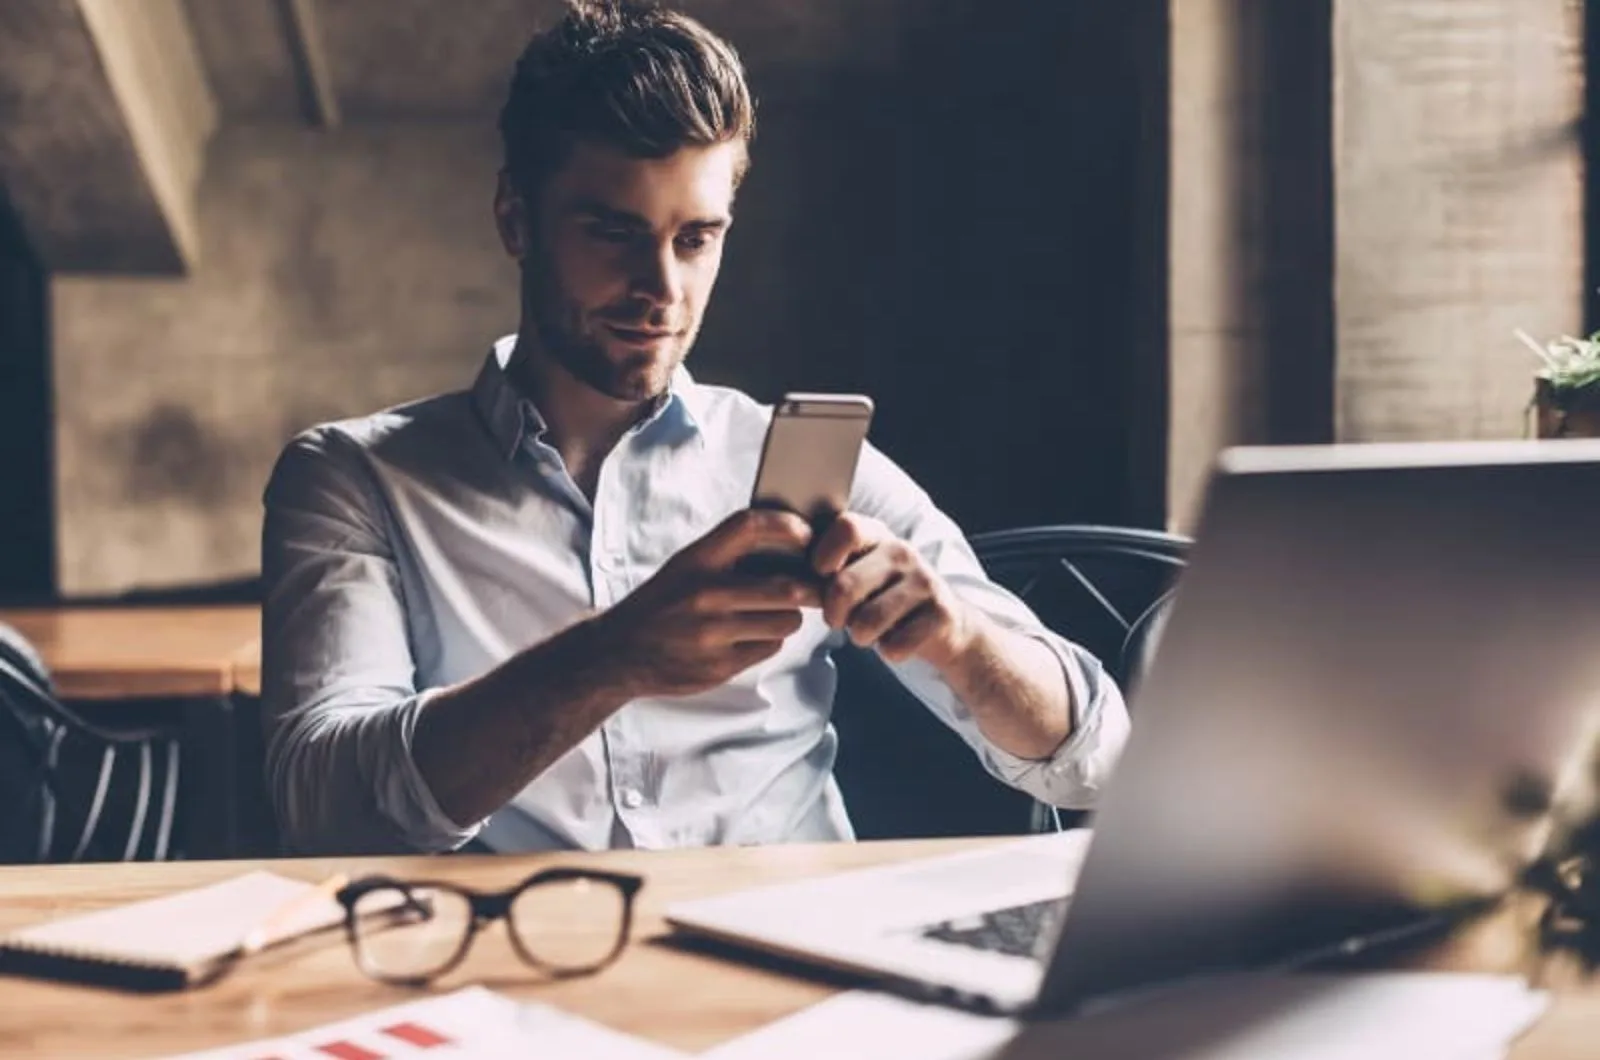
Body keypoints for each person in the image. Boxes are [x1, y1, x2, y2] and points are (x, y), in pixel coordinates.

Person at [261, 0, 1129, 855]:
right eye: (615, 233)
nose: (662, 289)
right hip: (521, 958)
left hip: (797, 953)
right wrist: (611, 658)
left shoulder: (809, 466)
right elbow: (325, 805)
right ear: (515, 219)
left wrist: (960, 639)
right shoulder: (351, 480)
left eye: (696, 239)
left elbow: (1095, 760)